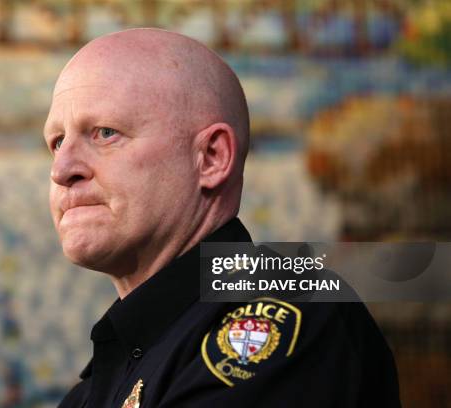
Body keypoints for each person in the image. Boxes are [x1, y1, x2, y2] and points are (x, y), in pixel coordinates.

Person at [44, 28, 400, 408]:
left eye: (105, 133)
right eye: (57, 142)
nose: (61, 169)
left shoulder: (287, 324)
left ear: (212, 158)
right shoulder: (96, 384)